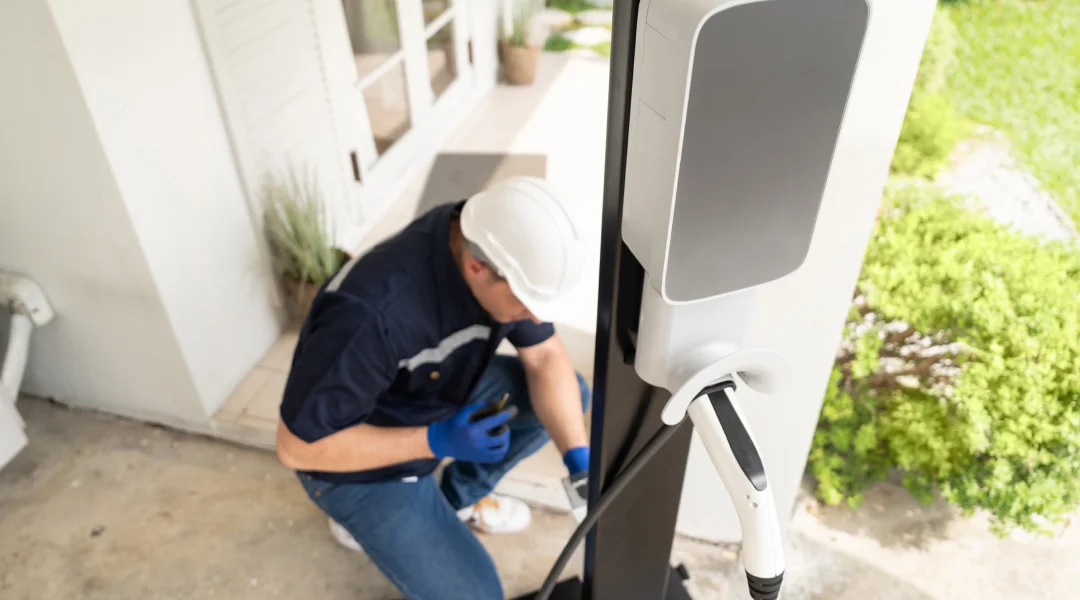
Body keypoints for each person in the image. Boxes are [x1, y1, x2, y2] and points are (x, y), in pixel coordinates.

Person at [275, 176, 591, 600]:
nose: (533, 319)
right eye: (525, 304)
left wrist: (580, 460)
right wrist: (434, 440)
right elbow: (297, 448)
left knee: (570, 394)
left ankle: (452, 502)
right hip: (352, 466)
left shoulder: (482, 237)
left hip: (425, 395)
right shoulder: (371, 316)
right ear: (477, 268)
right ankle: (368, 521)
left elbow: (546, 357)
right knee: (477, 596)